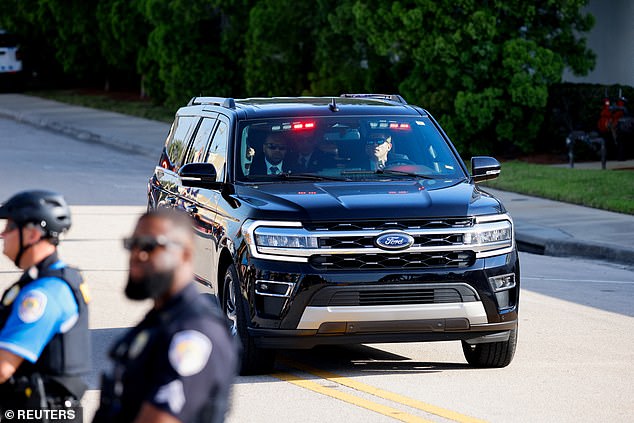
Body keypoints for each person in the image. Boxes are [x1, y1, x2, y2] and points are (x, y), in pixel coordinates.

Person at [93, 208, 237, 423]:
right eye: (132, 245)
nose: (136, 255)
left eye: (149, 246)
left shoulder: (194, 332)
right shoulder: (159, 321)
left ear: (185, 254)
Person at [0, 190, 90, 415]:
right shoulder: (39, 279)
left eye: (10, 227)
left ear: (32, 234)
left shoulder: (44, 294)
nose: (3, 234)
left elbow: (3, 368)